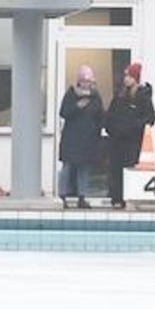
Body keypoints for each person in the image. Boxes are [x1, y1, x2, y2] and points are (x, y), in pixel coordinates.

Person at [103, 63, 155, 209]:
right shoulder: (119, 96)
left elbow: (150, 119)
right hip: (116, 141)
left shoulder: (143, 97)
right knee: (115, 170)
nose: (126, 79)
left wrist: (133, 127)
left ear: (136, 78)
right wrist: (111, 129)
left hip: (132, 141)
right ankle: (116, 198)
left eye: (130, 76)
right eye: (126, 76)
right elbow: (110, 116)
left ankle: (128, 198)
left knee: (130, 170)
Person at [55, 64, 105, 208]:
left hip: (88, 139)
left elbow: (100, 116)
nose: (86, 84)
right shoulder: (71, 94)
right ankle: (62, 196)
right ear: (78, 81)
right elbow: (64, 112)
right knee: (67, 167)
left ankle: (82, 197)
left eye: (88, 82)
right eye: (84, 81)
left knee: (84, 169)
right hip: (71, 138)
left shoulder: (95, 97)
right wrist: (77, 107)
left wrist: (97, 132)